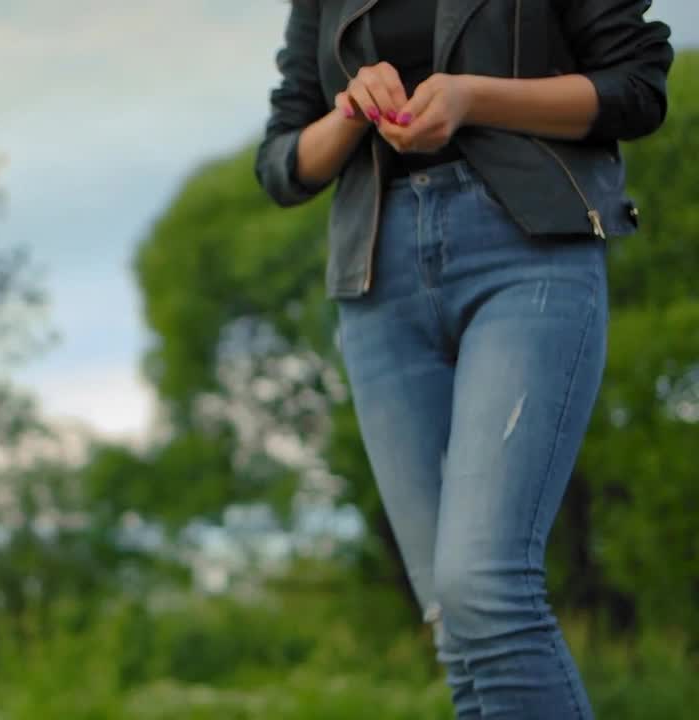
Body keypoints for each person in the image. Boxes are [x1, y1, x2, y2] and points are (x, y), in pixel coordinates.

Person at [254, 1, 673, 718]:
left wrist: (472, 95)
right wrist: (351, 109)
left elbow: (636, 87)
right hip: (377, 279)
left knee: (483, 587)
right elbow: (282, 163)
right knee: (457, 626)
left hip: (527, 250)